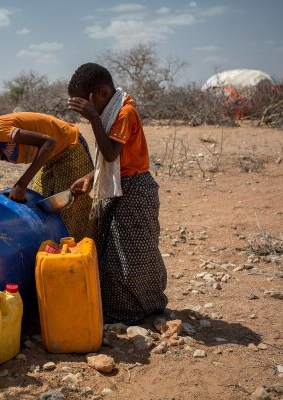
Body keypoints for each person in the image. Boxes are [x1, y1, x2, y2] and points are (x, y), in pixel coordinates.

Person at [66, 62, 167, 325]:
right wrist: (90, 178)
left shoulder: (125, 113)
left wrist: (94, 119)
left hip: (135, 189)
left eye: (86, 103)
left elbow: (110, 153)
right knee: (113, 249)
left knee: (132, 253)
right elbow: (112, 161)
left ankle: (137, 309)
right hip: (122, 187)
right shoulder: (113, 113)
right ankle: (126, 307)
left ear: (100, 93)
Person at [0, 112, 96, 241]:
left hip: (69, 146)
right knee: (40, 202)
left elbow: (49, 142)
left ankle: (80, 257)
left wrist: (21, 184)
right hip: (49, 158)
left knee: (70, 209)